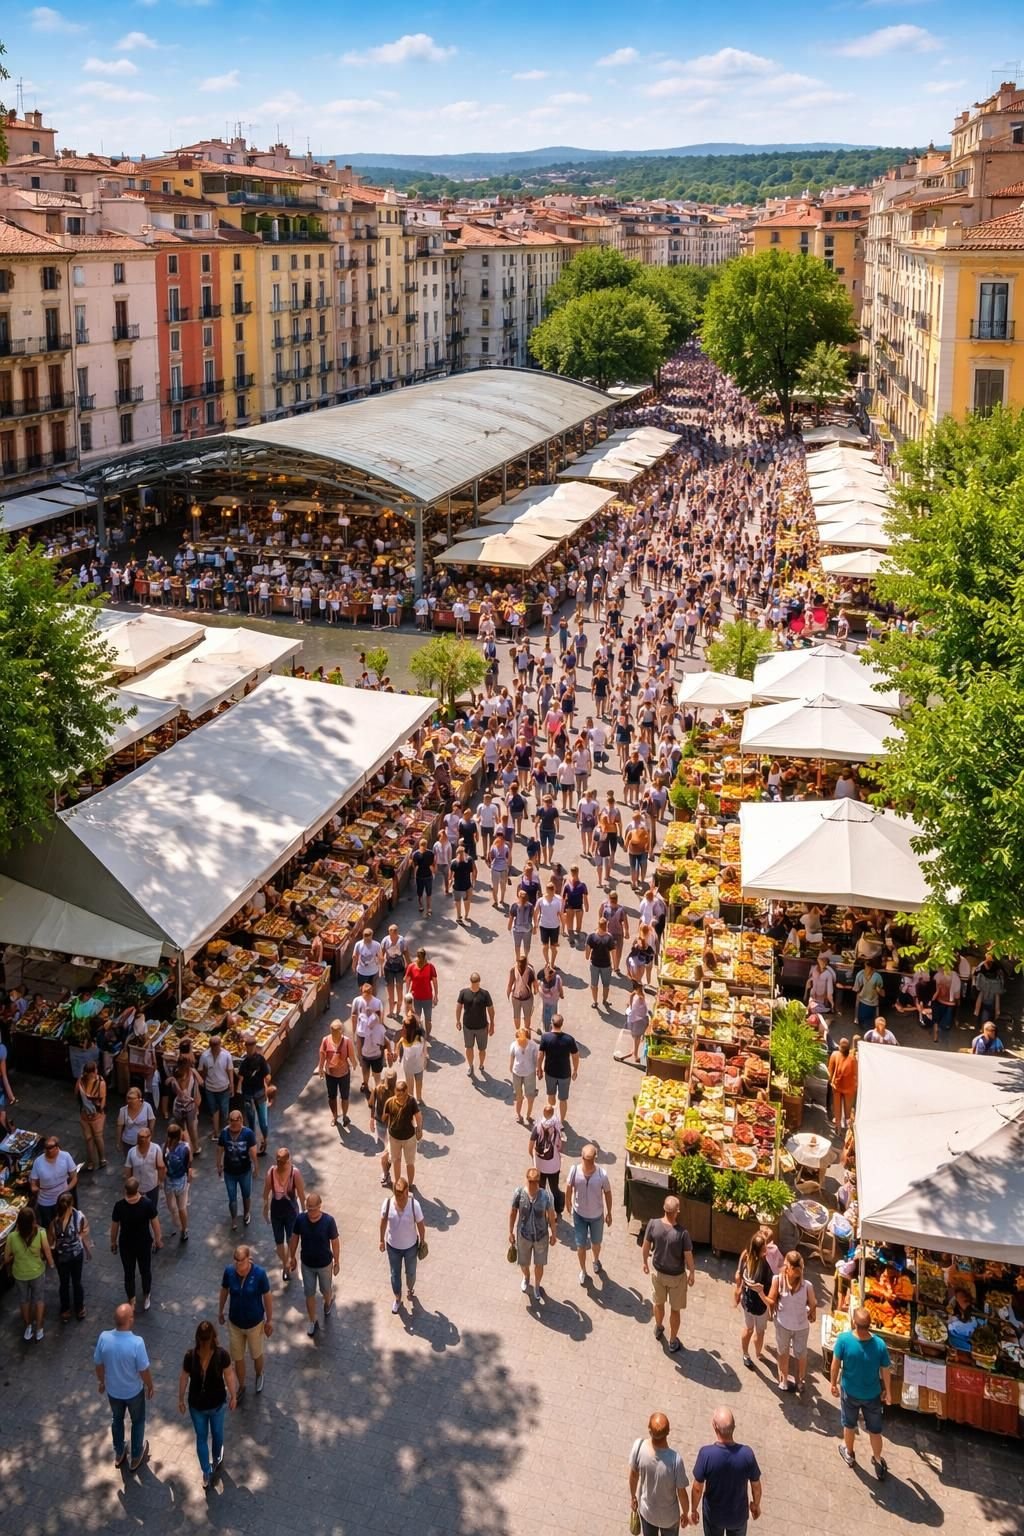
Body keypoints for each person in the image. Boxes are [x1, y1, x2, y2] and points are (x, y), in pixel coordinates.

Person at [830, 1305, 892, 1479]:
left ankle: (849, 1453)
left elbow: (835, 1364)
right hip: (872, 1395)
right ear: (870, 1324)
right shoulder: (879, 1344)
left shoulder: (843, 1340)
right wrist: (888, 1391)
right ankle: (878, 1460)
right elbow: (885, 1369)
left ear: (854, 1323)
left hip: (849, 1392)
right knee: (875, 1430)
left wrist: (833, 1383)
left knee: (849, 1425)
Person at [94, 1303, 155, 1473]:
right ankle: (136, 1456)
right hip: (134, 1391)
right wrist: (150, 1385)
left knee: (117, 1419)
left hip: (113, 1391)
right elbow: (144, 1370)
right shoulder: (137, 1343)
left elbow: (98, 1364)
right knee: (138, 1421)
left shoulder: (104, 1337)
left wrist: (101, 1382)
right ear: (130, 1320)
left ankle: (119, 1452)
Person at [179, 1320, 237, 1489]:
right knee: (218, 1433)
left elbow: (183, 1378)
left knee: (201, 1438)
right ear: (214, 1337)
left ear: (197, 1337)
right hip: (217, 1403)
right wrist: (233, 1396)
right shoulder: (222, 1355)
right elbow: (230, 1377)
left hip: (197, 1405)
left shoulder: (190, 1356)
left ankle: (206, 1472)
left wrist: (180, 1399)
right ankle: (217, 1458)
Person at [690, 1407, 763, 1536]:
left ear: (714, 1426)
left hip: (714, 1516)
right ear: (734, 1427)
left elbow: (697, 1488)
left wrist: (693, 1509)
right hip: (738, 1516)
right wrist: (756, 1505)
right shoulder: (747, 1454)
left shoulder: (706, 1454)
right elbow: (756, 1485)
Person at [642, 1196, 696, 1354]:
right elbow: (688, 1256)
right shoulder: (682, 1233)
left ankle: (658, 1327)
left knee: (658, 1304)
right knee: (675, 1310)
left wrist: (645, 1262)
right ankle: (673, 1340)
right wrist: (692, 1272)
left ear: (664, 1209)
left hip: (658, 1273)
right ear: (677, 1211)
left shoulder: (653, 1224)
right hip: (676, 1278)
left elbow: (645, 1247)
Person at [218, 1244, 273, 1398]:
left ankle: (259, 1373)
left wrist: (269, 1320)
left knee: (256, 1354)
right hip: (235, 1323)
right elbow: (224, 1290)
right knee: (238, 1357)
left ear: (249, 1259)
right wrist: (220, 1310)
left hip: (255, 1324)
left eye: (241, 1261)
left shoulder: (260, 1274)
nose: (238, 1265)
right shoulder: (229, 1272)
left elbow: (267, 1296)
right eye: (236, 1261)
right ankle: (241, 1386)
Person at [627, 1412, 689, 1536]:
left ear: (649, 1431)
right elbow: (681, 1493)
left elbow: (634, 1476)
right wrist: (685, 1513)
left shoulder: (639, 1447)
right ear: (668, 1432)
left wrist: (633, 1496)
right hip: (669, 1518)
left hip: (647, 1513)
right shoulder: (675, 1460)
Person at [288, 1192, 340, 1337]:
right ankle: (312, 1320)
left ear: (319, 1206)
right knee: (309, 1293)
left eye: (313, 1208)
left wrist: (337, 1262)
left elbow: (335, 1242)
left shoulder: (329, 1221)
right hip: (307, 1265)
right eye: (308, 1208)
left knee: (326, 1290)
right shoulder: (300, 1219)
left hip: (325, 1264)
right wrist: (291, 1257)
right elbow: (294, 1238)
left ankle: (328, 1302)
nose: (310, 1212)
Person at [767, 1250, 816, 1392]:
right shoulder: (778, 1280)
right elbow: (771, 1298)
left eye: (799, 1269)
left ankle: (800, 1380)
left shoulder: (807, 1285)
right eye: (795, 1269)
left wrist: (811, 1312)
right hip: (782, 1324)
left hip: (801, 1327)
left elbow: (813, 1302)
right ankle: (783, 1379)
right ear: (789, 1268)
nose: (797, 1272)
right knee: (783, 1352)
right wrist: (763, 1296)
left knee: (800, 1354)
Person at [110, 1177, 162, 1310]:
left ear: (125, 1190)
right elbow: (155, 1223)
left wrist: (113, 1242)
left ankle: (131, 1300)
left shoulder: (119, 1206)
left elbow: (115, 1226)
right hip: (144, 1243)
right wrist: (157, 1239)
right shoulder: (147, 1204)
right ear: (137, 1189)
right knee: (145, 1270)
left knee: (129, 1272)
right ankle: (146, 1296)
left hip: (126, 1244)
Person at [509, 1166, 557, 1303]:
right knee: (523, 1263)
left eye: (534, 1181)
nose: (532, 1184)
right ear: (526, 1180)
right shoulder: (519, 1193)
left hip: (541, 1237)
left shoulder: (546, 1196)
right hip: (523, 1236)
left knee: (539, 1264)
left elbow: (551, 1216)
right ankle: (526, 1277)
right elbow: (513, 1213)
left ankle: (537, 1286)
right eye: (530, 1181)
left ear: (538, 1181)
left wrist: (554, 1234)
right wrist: (510, 1232)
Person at [5, 1205, 53, 1341]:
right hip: (37, 1272)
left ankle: (28, 1327)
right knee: (38, 1300)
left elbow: (6, 1258)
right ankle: (39, 1329)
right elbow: (47, 1251)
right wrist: (52, 1264)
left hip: (20, 1274)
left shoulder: (12, 1237)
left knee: (24, 1300)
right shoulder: (41, 1233)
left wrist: (16, 1255)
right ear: (33, 1221)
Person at [566, 1144, 613, 1286]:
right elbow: (569, 1187)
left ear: (595, 1158)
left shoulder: (602, 1175)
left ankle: (595, 1259)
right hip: (579, 1214)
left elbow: (608, 1193)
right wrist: (568, 1203)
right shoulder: (574, 1171)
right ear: (582, 1157)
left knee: (596, 1243)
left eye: (590, 1159)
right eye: (586, 1159)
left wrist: (609, 1212)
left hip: (596, 1216)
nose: (588, 1162)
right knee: (580, 1246)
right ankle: (583, 1271)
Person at [380, 1176, 426, 1314]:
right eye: (398, 1196)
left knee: (410, 1273)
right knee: (395, 1274)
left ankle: (410, 1288)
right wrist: (381, 1240)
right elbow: (382, 1222)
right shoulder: (387, 1204)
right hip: (393, 1246)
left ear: (407, 1192)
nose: (400, 1200)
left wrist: (422, 1241)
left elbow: (421, 1225)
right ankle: (397, 1298)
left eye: (402, 1196)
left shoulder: (414, 1205)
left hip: (411, 1247)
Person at [263, 1146, 305, 1285]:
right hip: (277, 1211)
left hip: (291, 1212)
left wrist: (304, 1213)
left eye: (282, 1161)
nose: (281, 1164)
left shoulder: (295, 1173)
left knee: (291, 1240)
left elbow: (301, 1195)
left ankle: (290, 1261)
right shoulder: (271, 1172)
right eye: (279, 1161)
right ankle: (286, 1264)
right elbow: (267, 1192)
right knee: (279, 1241)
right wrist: (265, 1208)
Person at [733, 1231, 773, 1371]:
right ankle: (757, 1353)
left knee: (748, 1329)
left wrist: (740, 1280)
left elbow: (740, 1271)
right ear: (760, 1251)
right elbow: (769, 1289)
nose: (766, 1250)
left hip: (747, 1303)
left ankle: (745, 1354)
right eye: (764, 1249)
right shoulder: (765, 1267)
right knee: (759, 1332)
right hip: (760, 1306)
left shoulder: (746, 1258)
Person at [216, 1109, 259, 1232]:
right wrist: (218, 1164)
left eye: (236, 1120)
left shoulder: (248, 1134)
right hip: (229, 1172)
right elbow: (219, 1149)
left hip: (245, 1171)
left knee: (246, 1195)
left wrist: (256, 1166)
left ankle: (246, 1214)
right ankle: (234, 1218)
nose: (234, 1122)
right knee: (232, 1198)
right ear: (229, 1121)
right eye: (232, 1120)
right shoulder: (224, 1133)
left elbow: (253, 1152)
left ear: (241, 1120)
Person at [379, 1078, 423, 1189]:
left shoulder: (412, 1101)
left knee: (410, 1162)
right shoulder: (390, 1102)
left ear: (407, 1091)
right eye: (398, 1094)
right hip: (394, 1138)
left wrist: (419, 1130)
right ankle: (398, 1183)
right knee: (396, 1161)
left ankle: (411, 1184)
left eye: (403, 1095)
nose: (401, 1098)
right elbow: (384, 1117)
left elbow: (418, 1116)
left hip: (409, 1138)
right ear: (395, 1092)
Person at [537, 1013, 579, 1125]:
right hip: (565, 1073)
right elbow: (575, 1056)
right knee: (563, 1099)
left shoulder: (545, 1037)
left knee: (551, 1095)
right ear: (562, 1024)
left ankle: (551, 1116)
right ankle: (561, 1122)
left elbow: (540, 1055)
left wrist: (539, 1068)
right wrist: (575, 1070)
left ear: (551, 1023)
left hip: (550, 1072)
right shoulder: (569, 1039)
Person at [30, 1135, 79, 1230]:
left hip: (63, 1200)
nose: (48, 1151)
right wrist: (37, 1189)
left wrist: (66, 1189)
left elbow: (74, 1178)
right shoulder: (38, 1162)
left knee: (66, 1224)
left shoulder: (65, 1156)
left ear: (57, 1147)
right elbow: (33, 1184)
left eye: (51, 1148)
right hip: (45, 1201)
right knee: (49, 1226)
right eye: (46, 1148)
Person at [318, 1017, 356, 1127]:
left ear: (341, 1031)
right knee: (332, 1097)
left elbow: (352, 1056)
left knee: (344, 1096)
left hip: (344, 1074)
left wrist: (354, 1064)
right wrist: (321, 1069)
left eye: (337, 1031)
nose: (335, 1033)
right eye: (333, 1031)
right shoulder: (325, 1040)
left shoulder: (347, 1042)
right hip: (330, 1074)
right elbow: (322, 1056)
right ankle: (334, 1116)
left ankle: (344, 1116)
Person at [455, 971, 495, 1076]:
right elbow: (458, 1007)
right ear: (471, 981)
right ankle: (470, 1065)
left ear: (479, 982)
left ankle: (481, 1064)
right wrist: (458, 1021)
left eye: (476, 982)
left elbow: (491, 1010)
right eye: (474, 982)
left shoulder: (485, 994)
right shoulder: (463, 993)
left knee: (482, 1049)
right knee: (469, 1047)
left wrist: (492, 1024)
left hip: (482, 1027)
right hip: (468, 1027)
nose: (475, 984)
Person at [237, 1034, 272, 1153]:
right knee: (261, 1120)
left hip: (250, 1093)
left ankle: (256, 1143)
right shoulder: (260, 1060)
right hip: (258, 1092)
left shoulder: (245, 1062)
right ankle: (263, 1141)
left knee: (253, 1120)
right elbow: (267, 1076)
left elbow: (241, 1076)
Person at [529, 1101, 564, 1213]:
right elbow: (559, 1146)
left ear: (543, 1113)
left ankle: (542, 1209)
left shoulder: (537, 1127)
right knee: (554, 1188)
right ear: (553, 1114)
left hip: (540, 1166)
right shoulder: (556, 1127)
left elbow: (530, 1147)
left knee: (541, 1189)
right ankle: (558, 1208)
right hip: (553, 1166)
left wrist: (534, 1159)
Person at [198, 1036, 235, 1141]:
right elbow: (201, 1070)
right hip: (210, 1088)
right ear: (211, 1046)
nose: (216, 1049)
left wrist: (231, 1084)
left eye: (217, 1046)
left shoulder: (226, 1055)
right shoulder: (204, 1056)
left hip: (224, 1087)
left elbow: (230, 1069)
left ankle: (228, 1131)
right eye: (214, 1047)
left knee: (224, 1111)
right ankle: (216, 1133)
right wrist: (203, 1081)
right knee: (214, 1110)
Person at [161, 1122, 193, 1242]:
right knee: (182, 1207)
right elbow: (188, 1163)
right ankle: (184, 1229)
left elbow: (162, 1165)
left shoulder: (164, 1148)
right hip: (181, 1180)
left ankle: (178, 1224)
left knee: (172, 1206)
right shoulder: (185, 1147)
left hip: (169, 1180)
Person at [76, 1058, 108, 1170]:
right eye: (95, 1070)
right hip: (85, 1114)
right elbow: (76, 1094)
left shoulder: (101, 1082)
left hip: (96, 1116)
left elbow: (103, 1101)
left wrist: (97, 1110)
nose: (96, 1072)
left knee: (97, 1137)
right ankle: (91, 1161)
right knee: (89, 1138)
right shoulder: (81, 1081)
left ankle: (102, 1159)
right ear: (92, 1072)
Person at [125, 1126, 165, 1201]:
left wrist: (160, 1181)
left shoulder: (156, 1148)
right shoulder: (131, 1151)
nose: (142, 1139)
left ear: (150, 1137)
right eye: (140, 1137)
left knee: (152, 1208)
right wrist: (129, 1186)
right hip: (137, 1188)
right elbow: (128, 1169)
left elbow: (161, 1166)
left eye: (145, 1137)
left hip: (152, 1186)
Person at [509, 1027, 540, 1125]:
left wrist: (538, 1069)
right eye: (519, 1039)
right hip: (517, 1073)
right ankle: (518, 1115)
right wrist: (511, 1067)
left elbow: (537, 1059)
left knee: (530, 1097)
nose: (520, 1041)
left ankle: (528, 1115)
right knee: (518, 1097)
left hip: (529, 1073)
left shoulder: (533, 1046)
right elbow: (512, 1057)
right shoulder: (514, 1044)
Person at [405, 948, 439, 1035]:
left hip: (427, 998)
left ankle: (427, 1035)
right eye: (419, 957)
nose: (420, 959)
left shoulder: (430, 967)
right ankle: (419, 1035)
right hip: (415, 997)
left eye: (421, 957)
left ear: (424, 957)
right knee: (417, 1018)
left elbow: (435, 981)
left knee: (428, 1020)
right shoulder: (411, 967)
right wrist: (407, 994)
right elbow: (408, 980)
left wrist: (436, 995)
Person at [397, 1012, 429, 1099]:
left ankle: (412, 1101)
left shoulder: (405, 1039)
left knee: (410, 1085)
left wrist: (398, 1056)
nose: (402, 1028)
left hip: (408, 1066)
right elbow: (424, 1050)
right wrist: (425, 1058)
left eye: (404, 1027)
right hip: (418, 1065)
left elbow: (399, 1044)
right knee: (419, 1082)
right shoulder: (420, 1039)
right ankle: (419, 1098)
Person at [827, 1039, 857, 1130]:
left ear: (839, 1047)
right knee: (848, 1110)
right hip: (849, 1088)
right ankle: (848, 1127)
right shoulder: (853, 1058)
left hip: (837, 1086)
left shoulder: (834, 1054)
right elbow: (856, 1073)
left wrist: (829, 1081)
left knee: (837, 1108)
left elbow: (830, 1071)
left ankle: (838, 1126)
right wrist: (856, 1085)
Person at [586, 916, 615, 1008]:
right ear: (606, 926)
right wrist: (614, 965)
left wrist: (587, 955)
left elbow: (587, 954)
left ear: (598, 925)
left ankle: (595, 1002)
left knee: (594, 985)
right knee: (606, 985)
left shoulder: (591, 936)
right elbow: (613, 952)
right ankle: (605, 1000)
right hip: (606, 965)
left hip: (594, 964)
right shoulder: (609, 937)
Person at [381, 924, 410, 1018]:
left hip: (399, 968)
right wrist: (380, 968)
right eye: (391, 933)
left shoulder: (402, 941)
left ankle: (398, 1011)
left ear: (397, 932)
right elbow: (381, 955)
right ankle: (390, 1011)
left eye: (394, 933)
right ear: (389, 932)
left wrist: (409, 968)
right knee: (390, 991)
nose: (392, 935)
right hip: (388, 968)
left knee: (399, 989)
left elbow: (406, 954)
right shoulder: (385, 940)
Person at [506, 952, 539, 1028]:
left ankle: (518, 1032)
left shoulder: (513, 970)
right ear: (526, 962)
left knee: (516, 1016)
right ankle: (526, 1031)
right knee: (527, 1016)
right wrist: (535, 991)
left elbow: (510, 985)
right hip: (527, 998)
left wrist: (508, 995)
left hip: (515, 997)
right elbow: (535, 983)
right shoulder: (530, 971)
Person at [852, 959, 884, 1029]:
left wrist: (879, 990)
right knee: (865, 1023)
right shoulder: (860, 975)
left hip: (872, 1003)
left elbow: (882, 992)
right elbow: (857, 989)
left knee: (868, 1024)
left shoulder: (877, 976)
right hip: (863, 1002)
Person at [352, 925, 384, 992]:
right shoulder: (358, 944)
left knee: (373, 990)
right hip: (361, 971)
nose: (367, 940)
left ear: (372, 936)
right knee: (362, 990)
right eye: (365, 938)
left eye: (368, 938)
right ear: (363, 936)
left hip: (373, 972)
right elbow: (355, 956)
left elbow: (381, 958)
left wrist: (381, 969)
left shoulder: (376, 945)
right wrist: (353, 966)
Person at [412, 837, 436, 916]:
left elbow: (414, 866)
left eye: (424, 845)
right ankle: (425, 907)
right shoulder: (418, 854)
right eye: (423, 845)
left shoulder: (417, 854)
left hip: (423, 876)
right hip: (425, 875)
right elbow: (433, 864)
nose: (423, 847)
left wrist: (414, 876)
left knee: (425, 893)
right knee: (422, 893)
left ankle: (425, 907)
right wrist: (434, 872)